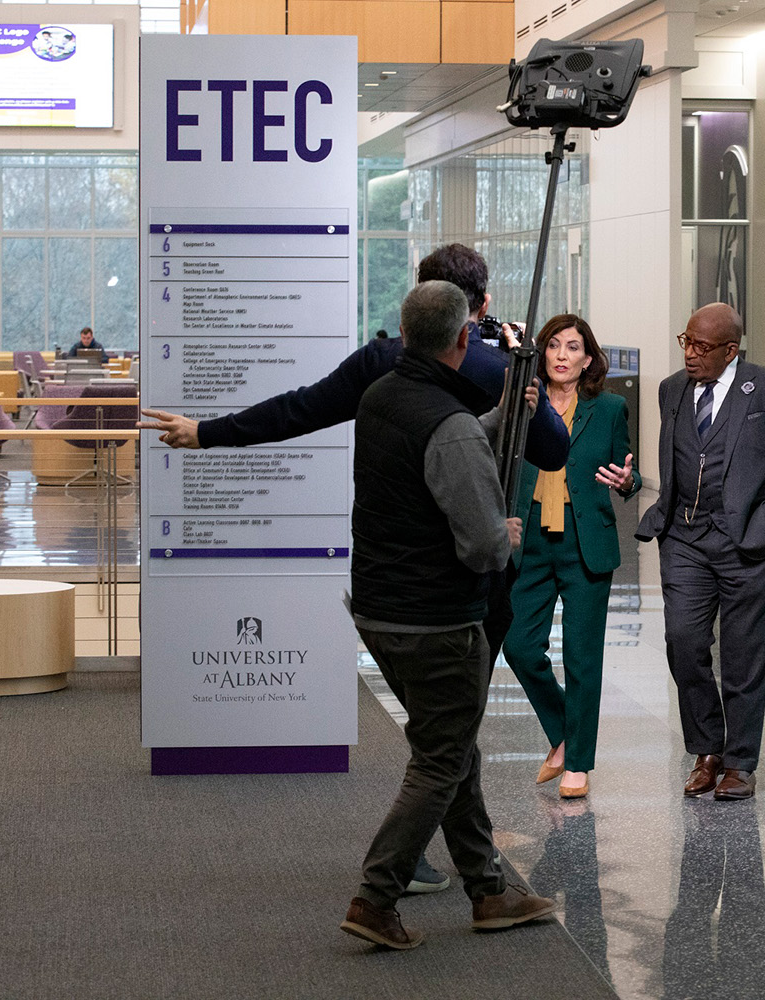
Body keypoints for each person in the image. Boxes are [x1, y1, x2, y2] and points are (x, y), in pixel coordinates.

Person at [137, 243, 567, 896]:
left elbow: (298, 409)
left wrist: (208, 432)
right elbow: (555, 452)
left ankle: (472, 875)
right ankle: (419, 874)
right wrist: (521, 392)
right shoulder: (495, 367)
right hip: (472, 582)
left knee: (444, 731)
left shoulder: (379, 365)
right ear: (475, 311)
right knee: (451, 734)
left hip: (385, 585)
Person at [339, 280, 555, 951]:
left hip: (379, 610)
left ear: (406, 333)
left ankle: (488, 891)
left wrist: (495, 420)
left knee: (454, 748)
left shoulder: (381, 399)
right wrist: (509, 533)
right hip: (439, 621)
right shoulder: (450, 425)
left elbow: (436, 456)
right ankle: (376, 898)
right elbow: (485, 546)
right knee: (440, 761)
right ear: (464, 338)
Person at [634, 303, 765, 801]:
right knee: (683, 642)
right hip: (685, 539)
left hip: (748, 541)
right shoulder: (672, 389)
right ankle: (706, 748)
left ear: (731, 350)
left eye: (702, 346)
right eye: (685, 341)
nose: (690, 354)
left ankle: (739, 763)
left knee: (743, 655)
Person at [503, 314, 640, 799]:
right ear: (542, 354)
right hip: (531, 540)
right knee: (518, 645)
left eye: (573, 347)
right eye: (554, 346)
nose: (562, 355)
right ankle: (565, 730)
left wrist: (628, 483)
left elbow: (630, 473)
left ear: (588, 359)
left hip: (586, 542)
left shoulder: (609, 408)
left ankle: (578, 763)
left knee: (582, 659)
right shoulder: (523, 404)